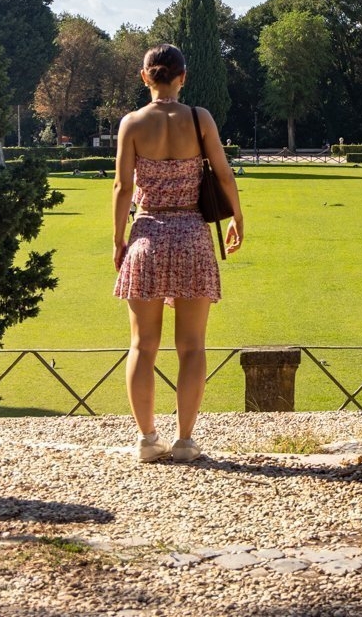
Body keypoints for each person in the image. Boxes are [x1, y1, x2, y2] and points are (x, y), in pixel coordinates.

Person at [112, 44, 244, 462]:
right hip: (192, 236)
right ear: (182, 77)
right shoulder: (199, 118)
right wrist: (238, 217)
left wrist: (117, 239)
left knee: (142, 346)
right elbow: (223, 173)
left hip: (146, 237)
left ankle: (148, 439)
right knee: (191, 347)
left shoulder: (132, 123)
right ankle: (185, 441)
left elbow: (123, 187)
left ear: (144, 77)